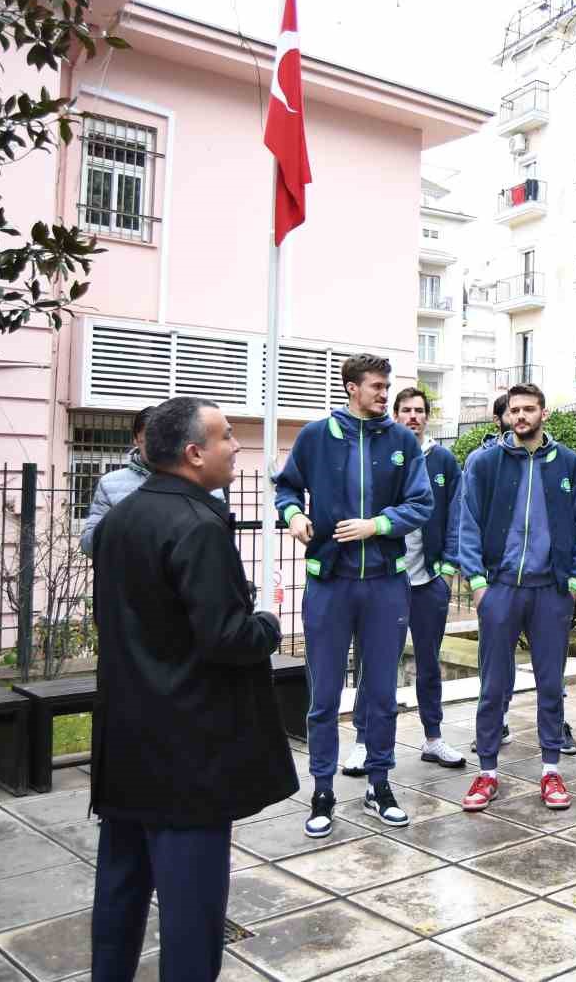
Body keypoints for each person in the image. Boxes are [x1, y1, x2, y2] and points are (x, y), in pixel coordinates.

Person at [89, 396, 296, 981]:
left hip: (125, 739)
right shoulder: (199, 523)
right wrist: (267, 625)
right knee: (192, 911)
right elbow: (226, 637)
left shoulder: (119, 520)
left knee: (121, 888)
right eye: (227, 436)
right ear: (193, 452)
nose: (236, 447)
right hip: (187, 751)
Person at [274, 354, 434, 837]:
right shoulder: (316, 436)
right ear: (351, 388)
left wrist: (377, 525)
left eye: (387, 387)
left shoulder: (403, 441)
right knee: (323, 694)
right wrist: (294, 517)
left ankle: (379, 784)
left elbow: (421, 503)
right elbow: (285, 489)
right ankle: (322, 790)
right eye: (377, 387)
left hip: (386, 582)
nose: (385, 395)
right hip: (330, 584)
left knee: (382, 693)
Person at [456, 382, 576, 812]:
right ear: (506, 416)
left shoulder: (567, 463)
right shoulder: (485, 463)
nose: (520, 416)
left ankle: (551, 769)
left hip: (551, 591)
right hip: (500, 590)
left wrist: (573, 584)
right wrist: (478, 586)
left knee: (551, 683)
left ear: (543, 413)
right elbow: (467, 525)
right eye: (514, 410)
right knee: (493, 684)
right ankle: (487, 773)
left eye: (528, 409)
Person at [343, 388, 465, 775]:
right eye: (406, 410)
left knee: (429, 662)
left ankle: (433, 738)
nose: (413, 416)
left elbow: (457, 515)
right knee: (374, 663)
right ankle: (364, 741)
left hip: (428, 579)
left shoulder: (443, 459)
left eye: (419, 411)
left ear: (427, 417)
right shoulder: (381, 455)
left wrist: (446, 570)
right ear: (394, 415)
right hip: (384, 577)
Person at [80, 406, 223, 557]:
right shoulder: (109, 484)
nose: (155, 447)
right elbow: (89, 545)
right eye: (146, 441)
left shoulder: (205, 480)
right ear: (135, 440)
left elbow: (218, 539)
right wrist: (124, 524)